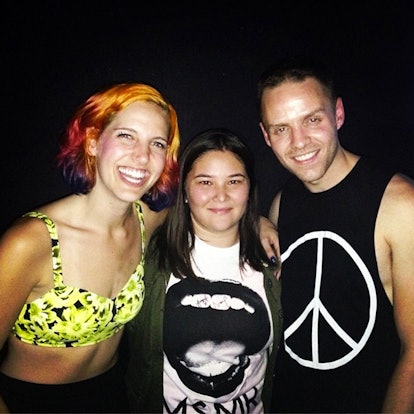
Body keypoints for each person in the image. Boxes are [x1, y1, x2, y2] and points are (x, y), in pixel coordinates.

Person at [0, 82, 181, 413]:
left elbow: (200, 203)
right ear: (94, 141)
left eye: (157, 143)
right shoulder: (30, 241)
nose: (142, 156)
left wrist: (257, 221)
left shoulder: (146, 222)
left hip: (111, 395)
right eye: (127, 135)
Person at [257, 55, 414, 413]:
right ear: (266, 136)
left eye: (312, 119)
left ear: (338, 114)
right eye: (281, 128)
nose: (299, 142)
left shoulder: (401, 205)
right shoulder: (282, 203)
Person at [125, 128, 283, 413]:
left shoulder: (272, 263)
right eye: (205, 182)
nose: (221, 195)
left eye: (234, 181)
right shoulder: (150, 259)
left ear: (250, 188)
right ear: (184, 191)